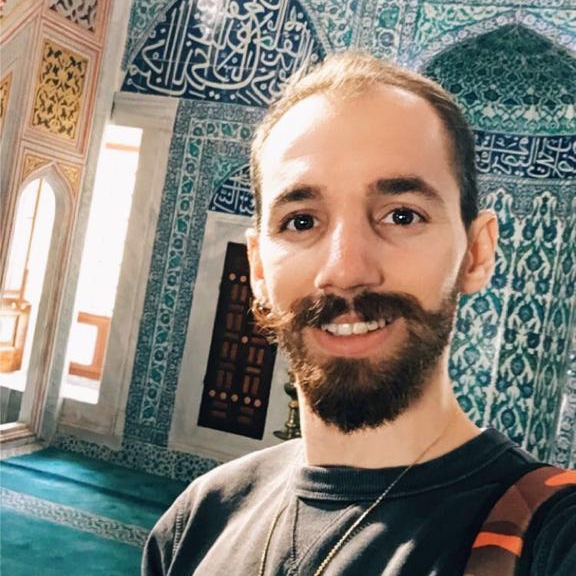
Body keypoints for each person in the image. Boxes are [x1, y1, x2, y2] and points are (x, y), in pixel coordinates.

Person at [142, 52, 576, 576]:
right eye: (302, 221)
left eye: (401, 215)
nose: (346, 271)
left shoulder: (548, 535)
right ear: (258, 269)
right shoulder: (198, 520)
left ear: (476, 253)